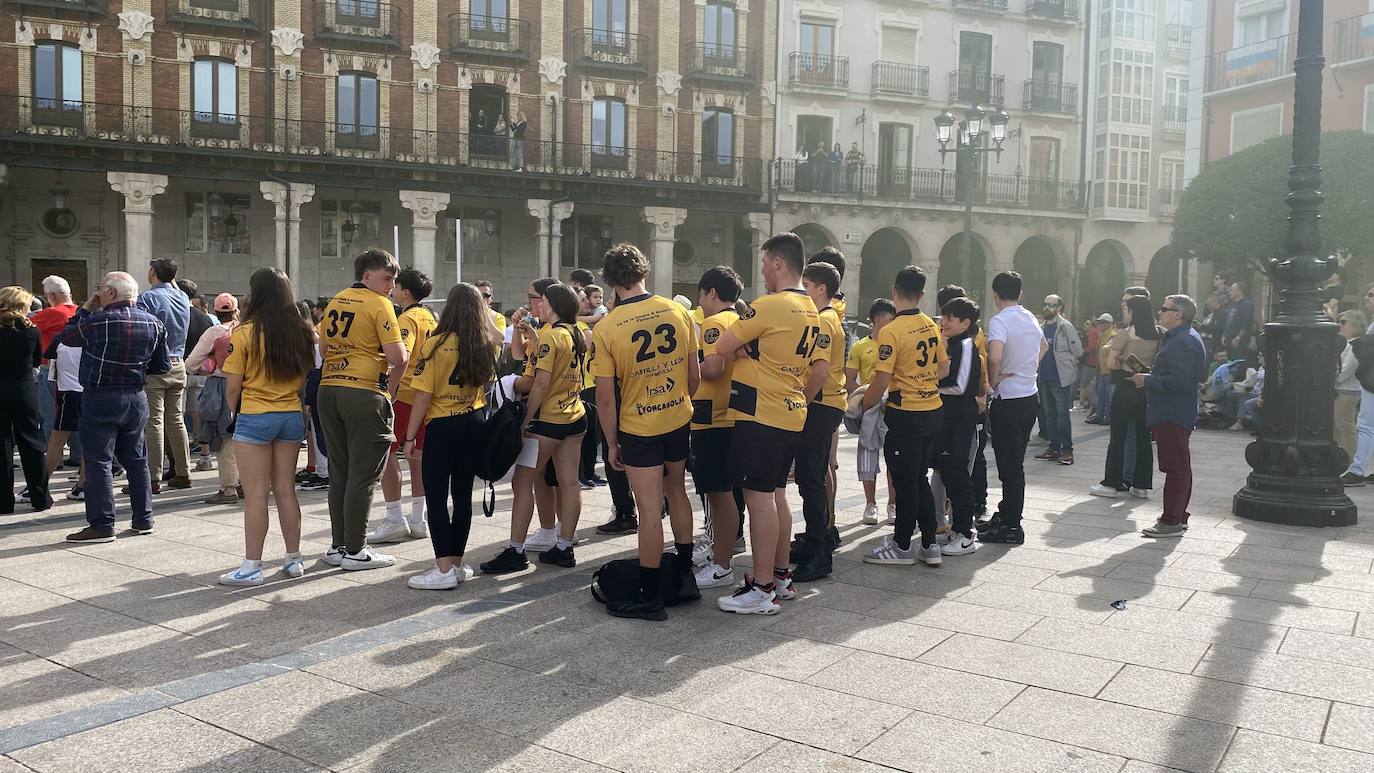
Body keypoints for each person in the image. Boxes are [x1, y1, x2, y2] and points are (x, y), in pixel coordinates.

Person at [712, 233, 825, 614]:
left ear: (778, 263)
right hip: (791, 409)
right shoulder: (813, 307)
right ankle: (779, 576)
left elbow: (722, 346)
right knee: (776, 494)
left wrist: (747, 348)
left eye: (764, 262)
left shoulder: (770, 305)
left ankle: (761, 589)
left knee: (758, 498)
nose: (762, 269)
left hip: (761, 412)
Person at [591, 243, 700, 620]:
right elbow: (694, 377)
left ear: (609, 280)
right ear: (644, 273)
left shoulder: (606, 328)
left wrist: (610, 443)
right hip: (677, 416)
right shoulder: (678, 310)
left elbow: (605, 399)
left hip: (639, 425)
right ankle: (685, 576)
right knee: (678, 492)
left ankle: (650, 596)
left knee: (650, 509)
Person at [217, 268, 315, 586]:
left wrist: (237, 414)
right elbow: (303, 380)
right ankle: (293, 558)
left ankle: (251, 566)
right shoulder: (302, 331)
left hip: (256, 415)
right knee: (286, 490)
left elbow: (232, 388)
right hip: (289, 415)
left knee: (256, 495)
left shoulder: (244, 334)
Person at [400, 283, 502, 589]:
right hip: (474, 421)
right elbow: (497, 358)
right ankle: (455, 563)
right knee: (462, 496)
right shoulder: (483, 343)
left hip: (443, 424)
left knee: (436, 494)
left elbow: (422, 396)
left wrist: (409, 437)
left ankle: (442, 568)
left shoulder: (436, 343)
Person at [58, 272, 170, 542]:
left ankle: (102, 524)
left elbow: (67, 336)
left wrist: (85, 308)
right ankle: (143, 519)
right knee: (137, 461)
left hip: (100, 397)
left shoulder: (97, 321)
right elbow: (161, 367)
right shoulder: (154, 323)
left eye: (99, 290)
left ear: (109, 293)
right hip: (135, 397)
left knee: (99, 462)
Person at [316, 250, 408, 570]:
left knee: (340, 472)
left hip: (329, 389)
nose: (391, 286)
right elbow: (399, 357)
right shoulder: (379, 303)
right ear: (366, 276)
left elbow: (323, 348)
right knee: (365, 474)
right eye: (387, 279)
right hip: (364, 391)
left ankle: (339, 546)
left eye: (394, 281)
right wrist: (390, 390)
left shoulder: (336, 300)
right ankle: (357, 549)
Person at [860, 266, 947, 567]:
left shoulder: (891, 331)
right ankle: (930, 544)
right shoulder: (932, 325)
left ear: (894, 292)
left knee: (905, 480)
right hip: (932, 408)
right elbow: (944, 369)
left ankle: (901, 545)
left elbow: (881, 380)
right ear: (922, 294)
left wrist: (862, 405)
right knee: (918, 476)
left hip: (906, 411)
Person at [977, 271, 1046, 545]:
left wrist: (994, 379)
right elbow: (1044, 346)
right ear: (1020, 294)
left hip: (1008, 400)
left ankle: (1011, 524)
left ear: (995, 294)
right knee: (1014, 461)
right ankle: (1006, 513)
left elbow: (994, 356)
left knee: (1010, 465)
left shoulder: (999, 320)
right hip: (1030, 394)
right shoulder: (1029, 316)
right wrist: (1027, 369)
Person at [792, 261, 847, 581]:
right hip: (827, 403)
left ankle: (818, 553)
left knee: (810, 479)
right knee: (813, 475)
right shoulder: (828, 318)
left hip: (821, 404)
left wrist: (801, 402)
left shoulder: (824, 320)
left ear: (821, 288)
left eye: (807, 286)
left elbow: (820, 370)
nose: (803, 292)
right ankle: (819, 539)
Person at [690, 266, 744, 590]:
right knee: (727, 494)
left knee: (718, 495)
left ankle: (722, 564)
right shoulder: (740, 320)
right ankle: (721, 555)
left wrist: (683, 363)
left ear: (711, 293)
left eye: (701, 295)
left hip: (711, 419)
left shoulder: (713, 324)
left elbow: (712, 368)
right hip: (734, 414)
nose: (701, 303)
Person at [373, 268, 436, 544]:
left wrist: (390, 389)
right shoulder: (430, 317)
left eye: (395, 286)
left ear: (406, 292)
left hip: (407, 394)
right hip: (427, 394)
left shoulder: (408, 318)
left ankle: (394, 517)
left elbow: (402, 357)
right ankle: (418, 519)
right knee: (417, 457)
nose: (392, 290)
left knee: (387, 454)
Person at [1136, 295, 1205, 537]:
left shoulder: (1182, 341)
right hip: (1172, 411)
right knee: (1179, 465)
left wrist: (1147, 379)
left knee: (1176, 467)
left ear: (1178, 314)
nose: (1159, 312)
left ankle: (1171, 520)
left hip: (1172, 412)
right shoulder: (1179, 338)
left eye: (1164, 309)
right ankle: (1178, 515)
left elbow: (1180, 381)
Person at [1089, 295, 1159, 499]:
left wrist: (1118, 357)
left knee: (1118, 436)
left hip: (1125, 385)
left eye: (1126, 309)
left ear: (1132, 311)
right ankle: (1141, 485)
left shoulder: (1125, 333)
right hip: (1144, 386)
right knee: (1143, 437)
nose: (1124, 313)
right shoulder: (1157, 334)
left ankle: (1111, 483)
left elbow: (1111, 363)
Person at [137, 258, 193, 493]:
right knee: (176, 419)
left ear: (153, 272)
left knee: (154, 421)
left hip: (155, 364)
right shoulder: (183, 297)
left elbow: (140, 329)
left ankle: (153, 477)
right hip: (178, 363)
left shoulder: (148, 298)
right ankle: (183, 472)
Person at [933, 296, 982, 557]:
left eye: (951, 318)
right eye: (944, 317)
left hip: (960, 421)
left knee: (958, 475)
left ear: (966, 322)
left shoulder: (965, 345)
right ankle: (956, 529)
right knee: (948, 473)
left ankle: (965, 533)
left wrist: (928, 387)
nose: (944, 322)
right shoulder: (951, 344)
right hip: (947, 420)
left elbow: (960, 386)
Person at [1, 287, 52, 514]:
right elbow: (35, 361)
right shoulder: (32, 331)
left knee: (2, 445)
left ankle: (3, 501)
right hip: (24, 389)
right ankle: (40, 498)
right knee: (31, 443)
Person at [847, 299, 896, 525]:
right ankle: (870, 504)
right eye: (889, 319)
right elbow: (848, 378)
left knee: (894, 457)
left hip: (894, 405)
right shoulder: (859, 347)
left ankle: (892, 504)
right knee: (867, 455)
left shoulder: (896, 342)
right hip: (870, 408)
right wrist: (864, 398)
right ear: (878, 320)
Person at [29, 276, 79, 449]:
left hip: (50, 367)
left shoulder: (52, 313)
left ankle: (52, 454)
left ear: (51, 295)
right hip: (75, 368)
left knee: (50, 414)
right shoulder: (79, 311)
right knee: (76, 411)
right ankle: (77, 455)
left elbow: (23, 326)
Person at [1033, 294, 1082, 466]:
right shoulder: (1041, 327)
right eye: (1045, 304)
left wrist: (1068, 364)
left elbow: (1078, 351)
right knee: (1049, 415)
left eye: (1052, 305)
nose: (1047, 308)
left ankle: (1067, 450)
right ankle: (1054, 448)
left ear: (1059, 308)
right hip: (1044, 377)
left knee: (1062, 416)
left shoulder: (1065, 327)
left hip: (1061, 378)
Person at [43, 332, 85, 501]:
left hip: (69, 392)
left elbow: (48, 356)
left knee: (57, 440)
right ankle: (83, 485)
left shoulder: (63, 337)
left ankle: (39, 484)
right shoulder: (99, 334)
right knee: (90, 441)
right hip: (91, 392)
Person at [180, 278, 215, 471]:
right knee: (198, 413)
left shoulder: (179, 313)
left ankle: (182, 454)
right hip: (203, 370)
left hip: (183, 369)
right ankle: (204, 454)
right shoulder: (205, 318)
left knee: (178, 415)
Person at [1335, 311, 1365, 463]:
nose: (1340, 326)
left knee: (1345, 426)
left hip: (1348, 390)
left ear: (1355, 325)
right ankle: (1339, 456)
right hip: (1343, 389)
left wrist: (1333, 381)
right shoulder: (1348, 344)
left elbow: (1346, 369)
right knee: (1338, 425)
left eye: (1344, 322)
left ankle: (1346, 459)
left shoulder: (1355, 345)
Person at [1089, 314, 1116, 425]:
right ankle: (1100, 415)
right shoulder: (1102, 334)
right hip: (1101, 369)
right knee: (1101, 394)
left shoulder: (1112, 335)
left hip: (1109, 369)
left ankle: (1107, 417)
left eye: (1103, 322)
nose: (1100, 324)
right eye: (1099, 322)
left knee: (1108, 395)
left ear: (1109, 324)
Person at [1224, 281, 1255, 360]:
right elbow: (1229, 322)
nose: (1229, 292)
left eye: (1231, 290)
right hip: (1229, 341)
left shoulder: (1246, 304)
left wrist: (1238, 338)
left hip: (1239, 343)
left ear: (1239, 291)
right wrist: (1224, 336)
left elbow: (1247, 322)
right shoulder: (1234, 305)